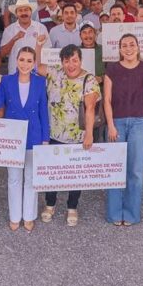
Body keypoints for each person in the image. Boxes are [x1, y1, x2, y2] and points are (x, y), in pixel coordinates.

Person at [35, 41, 100, 226]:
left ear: (80, 60)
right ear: (61, 62)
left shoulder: (89, 80)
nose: (71, 65)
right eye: (66, 61)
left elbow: (90, 109)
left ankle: (72, 207)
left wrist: (89, 134)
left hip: (77, 136)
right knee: (53, 171)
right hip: (54, 134)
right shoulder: (55, 73)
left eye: (74, 60)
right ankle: (50, 204)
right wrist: (38, 47)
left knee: (75, 173)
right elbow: (37, 67)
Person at [103, 34, 143, 225]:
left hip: (139, 123)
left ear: (137, 47)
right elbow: (107, 100)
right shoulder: (112, 69)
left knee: (136, 170)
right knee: (115, 169)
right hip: (117, 123)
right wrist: (110, 125)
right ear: (120, 49)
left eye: (131, 44)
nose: (128, 48)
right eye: (124, 45)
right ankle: (114, 213)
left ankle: (131, 214)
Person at [0, 46, 50, 231]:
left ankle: (29, 215)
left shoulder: (40, 82)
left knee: (31, 178)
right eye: (22, 60)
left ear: (34, 63)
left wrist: (45, 138)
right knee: (14, 178)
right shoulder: (6, 80)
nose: (25, 64)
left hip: (34, 133)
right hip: (13, 136)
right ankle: (15, 216)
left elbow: (43, 111)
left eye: (29, 61)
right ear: (16, 60)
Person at [0, 0, 50, 73]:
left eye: (26, 10)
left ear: (31, 12)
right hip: (15, 73)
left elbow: (47, 51)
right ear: (16, 14)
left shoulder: (41, 28)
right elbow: (2, 54)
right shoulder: (9, 30)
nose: (23, 13)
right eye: (20, 10)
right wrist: (14, 39)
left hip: (36, 73)